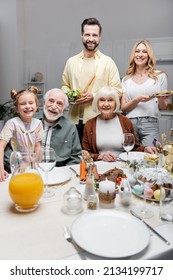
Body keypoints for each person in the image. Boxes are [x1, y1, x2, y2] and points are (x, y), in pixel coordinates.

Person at [62, 17, 122, 143]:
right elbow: (65, 85)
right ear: (81, 36)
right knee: (75, 159)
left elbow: (117, 91)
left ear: (100, 37)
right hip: (73, 120)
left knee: (95, 158)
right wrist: (71, 95)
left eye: (94, 35)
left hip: (98, 120)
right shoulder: (71, 62)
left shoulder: (108, 62)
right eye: (87, 34)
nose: (91, 38)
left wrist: (94, 96)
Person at [82, 86, 156, 162]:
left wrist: (145, 149)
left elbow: (133, 148)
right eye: (102, 100)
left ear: (116, 103)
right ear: (97, 103)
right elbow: (85, 153)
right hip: (99, 167)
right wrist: (100, 156)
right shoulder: (89, 124)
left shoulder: (125, 121)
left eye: (110, 100)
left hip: (122, 165)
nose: (106, 104)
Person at [121, 39, 168, 146]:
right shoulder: (126, 80)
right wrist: (137, 99)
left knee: (150, 158)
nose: (140, 55)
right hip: (130, 123)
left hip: (150, 123)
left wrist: (161, 99)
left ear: (149, 55)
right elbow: (123, 108)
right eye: (137, 51)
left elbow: (163, 106)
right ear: (133, 54)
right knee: (130, 158)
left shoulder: (159, 76)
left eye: (144, 51)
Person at [0, 87, 44, 181]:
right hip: (16, 166)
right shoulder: (12, 124)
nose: (27, 106)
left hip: (33, 166)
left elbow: (38, 148)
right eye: (23, 104)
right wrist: (1, 169)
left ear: (36, 106)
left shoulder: (39, 124)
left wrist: (36, 166)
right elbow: (1, 146)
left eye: (31, 103)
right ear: (16, 108)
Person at [40, 88, 82, 166]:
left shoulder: (70, 127)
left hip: (59, 171)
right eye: (51, 101)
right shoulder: (31, 122)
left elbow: (76, 157)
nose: (53, 106)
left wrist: (64, 171)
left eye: (59, 103)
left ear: (63, 109)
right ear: (44, 102)